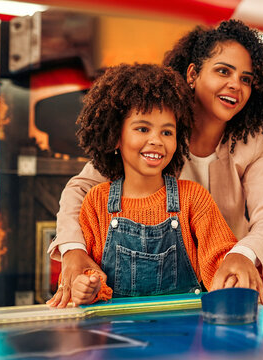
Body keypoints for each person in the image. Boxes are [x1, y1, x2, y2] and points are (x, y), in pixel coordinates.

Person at [47, 19, 263, 307]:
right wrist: (74, 251)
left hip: (224, 282)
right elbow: (80, 190)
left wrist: (244, 254)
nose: (235, 85)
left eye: (246, 79)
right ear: (192, 74)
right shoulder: (154, 131)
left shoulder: (253, 140)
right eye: (223, 71)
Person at [59, 63, 238, 305]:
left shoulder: (194, 197)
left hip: (183, 335)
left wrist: (234, 273)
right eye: (142, 129)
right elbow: (89, 273)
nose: (156, 140)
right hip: (116, 337)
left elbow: (220, 259)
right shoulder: (96, 201)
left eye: (167, 132)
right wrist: (87, 287)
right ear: (115, 137)